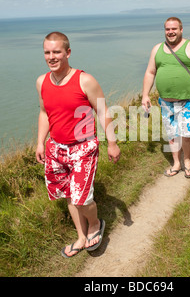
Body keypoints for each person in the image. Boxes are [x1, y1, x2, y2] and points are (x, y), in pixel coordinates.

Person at [36, 32, 120, 258]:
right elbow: (45, 112)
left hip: (83, 147)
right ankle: (81, 236)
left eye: (56, 52)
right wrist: (40, 143)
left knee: (82, 197)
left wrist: (112, 143)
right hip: (56, 148)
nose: (51, 57)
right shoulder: (41, 82)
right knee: (68, 195)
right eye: (47, 52)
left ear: (68, 53)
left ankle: (94, 224)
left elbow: (103, 111)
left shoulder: (85, 80)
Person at [142, 17, 190, 178]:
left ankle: (187, 160)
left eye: (174, 29)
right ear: (165, 30)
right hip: (165, 102)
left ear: (181, 30)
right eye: (167, 29)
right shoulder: (157, 49)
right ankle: (176, 163)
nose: (171, 32)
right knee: (172, 135)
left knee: (187, 134)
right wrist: (145, 95)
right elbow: (150, 72)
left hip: (188, 101)